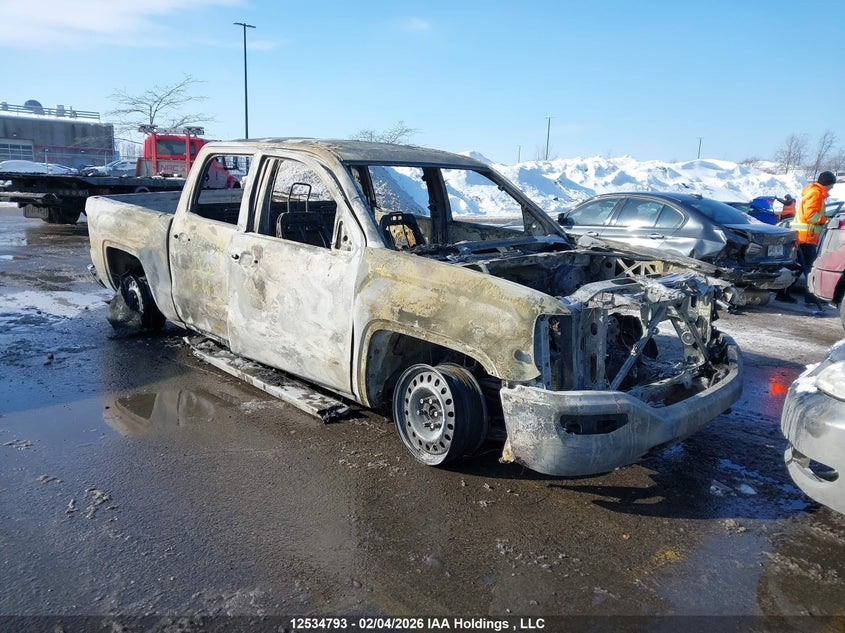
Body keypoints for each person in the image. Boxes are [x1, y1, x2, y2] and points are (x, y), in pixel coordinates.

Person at [775, 171, 837, 304]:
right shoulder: (816, 194)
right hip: (806, 237)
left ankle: (783, 292)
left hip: (804, 237)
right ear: (826, 184)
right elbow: (810, 215)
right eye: (831, 185)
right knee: (810, 268)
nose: (832, 187)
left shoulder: (815, 193)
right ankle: (811, 297)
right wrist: (824, 219)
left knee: (797, 267)